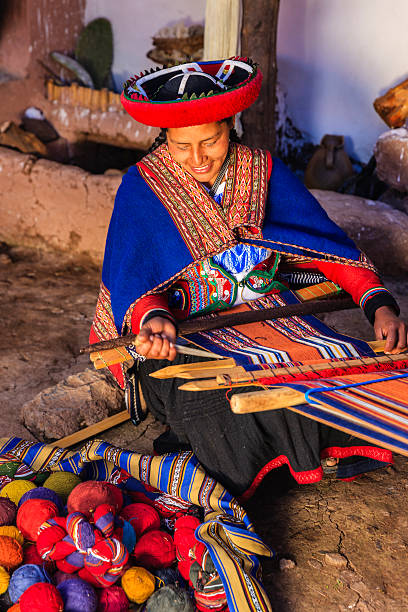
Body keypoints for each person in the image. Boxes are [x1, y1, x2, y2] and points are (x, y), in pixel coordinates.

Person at [90, 58, 408, 497]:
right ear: (164, 137)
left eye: (211, 140)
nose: (198, 158)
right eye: (182, 146)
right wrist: (155, 320)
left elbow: (325, 245)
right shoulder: (142, 188)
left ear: (231, 126)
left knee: (337, 363)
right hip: (184, 328)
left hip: (267, 310)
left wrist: (380, 305)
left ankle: (316, 452)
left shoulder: (262, 171)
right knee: (208, 398)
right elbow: (136, 279)